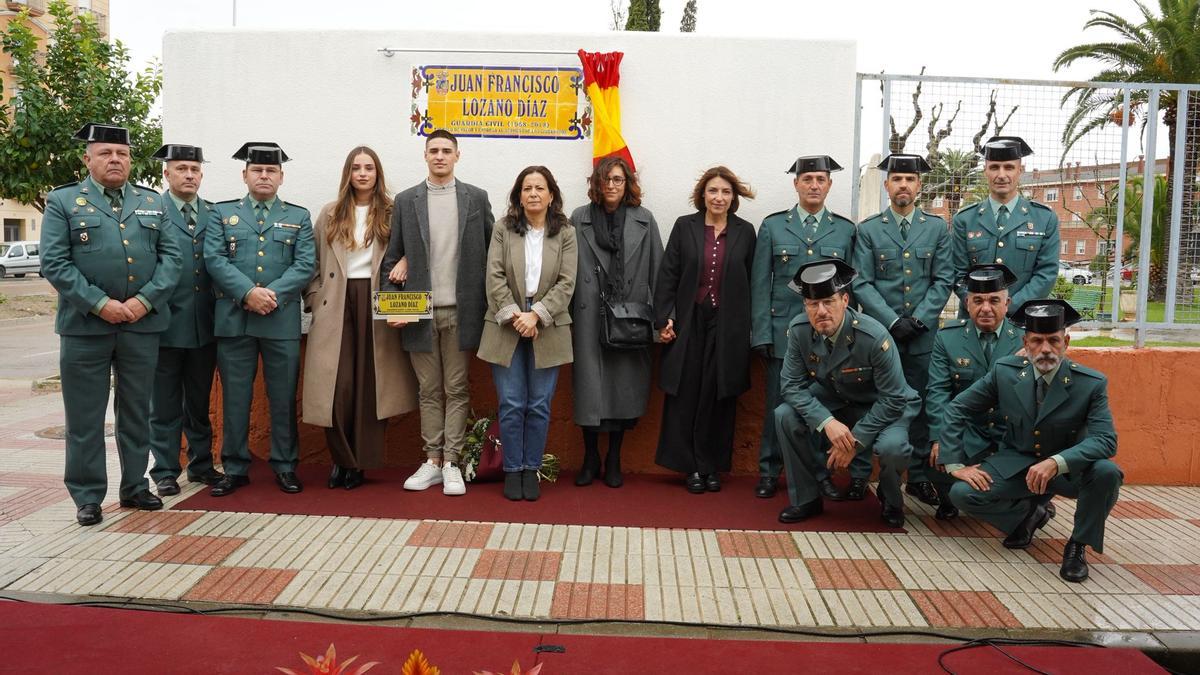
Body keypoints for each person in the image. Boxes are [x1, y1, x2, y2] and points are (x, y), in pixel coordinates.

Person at [39, 122, 182, 525]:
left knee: (137, 412)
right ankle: (87, 496)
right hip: (85, 327)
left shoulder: (153, 203)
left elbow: (172, 260)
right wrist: (100, 304)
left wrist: (144, 302)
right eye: (105, 153)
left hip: (142, 325)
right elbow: (55, 262)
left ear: (131, 160)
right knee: (84, 417)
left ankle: (135, 487)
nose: (115, 160)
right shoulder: (64, 201)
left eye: (121, 154)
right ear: (88, 159)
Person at [943, 299, 1122, 582]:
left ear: (1066, 342)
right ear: (1026, 343)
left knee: (1107, 473)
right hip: (1018, 464)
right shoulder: (1005, 371)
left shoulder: (1090, 383)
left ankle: (1077, 546)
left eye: (1053, 340)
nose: (1046, 349)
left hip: (1067, 471)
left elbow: (1106, 441)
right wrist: (955, 463)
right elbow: (958, 407)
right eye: (1037, 341)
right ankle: (1028, 514)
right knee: (962, 493)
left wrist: (1056, 462)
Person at [380, 129, 494, 497]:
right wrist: (391, 305)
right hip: (420, 312)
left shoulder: (476, 198)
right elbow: (390, 261)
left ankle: (452, 463)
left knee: (457, 388)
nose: (440, 156)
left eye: (447, 150)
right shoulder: (406, 200)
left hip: (463, 312)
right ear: (425, 156)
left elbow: (492, 255)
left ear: (458, 155)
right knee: (428, 390)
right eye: (434, 150)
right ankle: (431, 461)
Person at [302, 146, 418, 489]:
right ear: (348, 174)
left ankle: (359, 464)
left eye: (369, 167)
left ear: (377, 173)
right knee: (336, 386)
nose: (363, 173)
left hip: (379, 303)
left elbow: (415, 253)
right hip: (335, 303)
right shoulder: (330, 213)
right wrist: (314, 298)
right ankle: (341, 459)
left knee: (371, 386)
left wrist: (407, 260)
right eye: (356, 168)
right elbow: (314, 264)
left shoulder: (395, 211)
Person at [773, 260, 920, 528]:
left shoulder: (872, 335)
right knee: (785, 415)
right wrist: (826, 422)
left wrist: (855, 441)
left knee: (892, 447)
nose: (821, 311)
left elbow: (894, 398)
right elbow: (791, 386)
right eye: (812, 304)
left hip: (882, 404)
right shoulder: (799, 331)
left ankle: (890, 499)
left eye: (828, 302)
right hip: (835, 399)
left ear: (844, 299)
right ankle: (806, 499)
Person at [204, 142, 315, 496]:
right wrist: (247, 293)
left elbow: (305, 265)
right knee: (235, 397)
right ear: (245, 175)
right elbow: (215, 260)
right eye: (257, 170)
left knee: (282, 397)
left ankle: (285, 465)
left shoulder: (299, 216)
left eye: (271, 171)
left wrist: (272, 296)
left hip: (279, 321)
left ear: (281, 177)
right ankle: (235, 468)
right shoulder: (221, 214)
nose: (264, 175)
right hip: (235, 319)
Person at [750, 155, 856, 500]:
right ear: (795, 183)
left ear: (829, 185)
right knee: (776, 406)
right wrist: (762, 333)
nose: (814, 185)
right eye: (807, 179)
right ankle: (769, 471)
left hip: (827, 335)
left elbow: (850, 289)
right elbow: (759, 284)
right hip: (784, 334)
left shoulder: (844, 230)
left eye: (820, 180)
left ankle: (818, 474)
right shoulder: (773, 226)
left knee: (819, 406)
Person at [852, 154, 953, 509]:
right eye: (896, 180)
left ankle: (919, 479)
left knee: (923, 405)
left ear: (920, 186)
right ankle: (861, 474)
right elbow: (861, 283)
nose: (903, 186)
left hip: (924, 337)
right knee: (870, 401)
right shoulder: (868, 230)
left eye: (910, 180)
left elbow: (944, 279)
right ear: (887, 186)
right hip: (881, 335)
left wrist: (920, 319)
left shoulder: (937, 228)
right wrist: (893, 322)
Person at [654, 166, 756, 494]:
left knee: (719, 393)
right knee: (687, 392)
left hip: (728, 327)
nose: (719, 197)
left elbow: (752, 281)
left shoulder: (746, 231)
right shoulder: (685, 227)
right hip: (689, 321)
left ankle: (712, 466)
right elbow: (668, 275)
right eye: (713, 191)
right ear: (703, 195)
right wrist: (664, 318)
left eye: (726, 192)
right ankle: (691, 467)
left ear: (734, 198)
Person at [477, 166, 577, 501]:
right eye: (527, 188)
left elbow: (567, 282)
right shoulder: (504, 229)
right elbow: (493, 275)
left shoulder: (565, 232)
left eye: (540, 188)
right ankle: (512, 469)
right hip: (506, 322)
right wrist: (516, 315)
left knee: (538, 404)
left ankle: (530, 469)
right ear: (518, 195)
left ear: (551, 195)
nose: (533, 193)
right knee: (511, 402)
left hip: (547, 324)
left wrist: (536, 315)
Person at [569, 157, 663, 488]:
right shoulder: (579, 218)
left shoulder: (644, 220)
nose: (612, 185)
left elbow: (658, 272)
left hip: (630, 317)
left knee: (623, 390)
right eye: (606, 179)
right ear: (597, 183)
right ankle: (590, 455)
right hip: (587, 317)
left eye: (619, 180)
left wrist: (663, 321)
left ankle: (614, 458)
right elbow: (566, 271)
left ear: (628, 184)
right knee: (590, 390)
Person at [147, 144, 225, 496]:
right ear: (167, 174)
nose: (189, 175)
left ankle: (201, 463)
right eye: (181, 169)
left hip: (204, 323)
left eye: (194, 169)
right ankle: (164, 470)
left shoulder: (214, 214)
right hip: (163, 324)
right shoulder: (150, 211)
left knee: (199, 401)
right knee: (163, 404)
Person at [951, 136, 1059, 316]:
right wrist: (980, 307)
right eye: (994, 167)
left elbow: (1046, 274)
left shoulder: (1044, 219)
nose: (1001, 175)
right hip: (973, 321)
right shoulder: (964, 220)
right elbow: (957, 273)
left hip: (1020, 321)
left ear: (1020, 170)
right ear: (985, 171)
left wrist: (1008, 306)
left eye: (1009, 167)